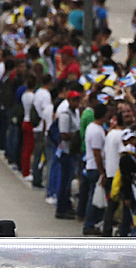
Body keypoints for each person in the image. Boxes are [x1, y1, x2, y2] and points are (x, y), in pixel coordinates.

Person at [79, 103, 108, 235]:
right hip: (95, 167)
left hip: (91, 166)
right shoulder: (96, 131)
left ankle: (92, 222)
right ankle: (90, 223)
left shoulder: (94, 127)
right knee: (95, 198)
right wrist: (102, 171)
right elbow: (97, 152)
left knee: (94, 196)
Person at [55, 91, 81, 219]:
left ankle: (67, 205)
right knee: (65, 182)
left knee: (69, 181)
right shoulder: (65, 115)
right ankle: (61, 208)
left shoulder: (75, 113)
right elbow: (63, 134)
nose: (76, 103)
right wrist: (76, 135)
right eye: (74, 100)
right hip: (66, 152)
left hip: (72, 152)